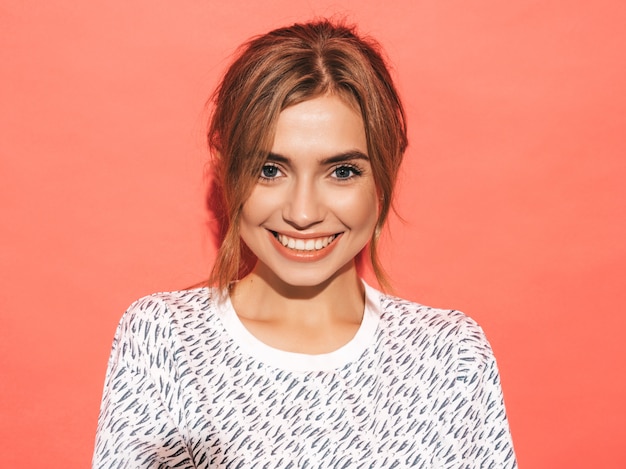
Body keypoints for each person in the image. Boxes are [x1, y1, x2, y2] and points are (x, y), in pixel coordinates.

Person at [93, 19, 517, 468]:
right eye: (269, 169)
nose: (302, 212)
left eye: (342, 171)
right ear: (227, 175)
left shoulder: (449, 358)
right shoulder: (165, 341)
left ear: (385, 173)